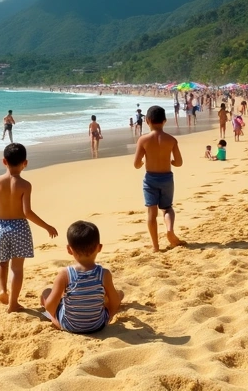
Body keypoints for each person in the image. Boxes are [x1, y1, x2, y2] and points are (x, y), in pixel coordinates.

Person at [0, 143, 57, 312]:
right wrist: (47, 226)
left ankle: (2, 290)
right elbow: (27, 212)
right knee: (17, 269)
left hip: (2, 227)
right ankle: (13, 304)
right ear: (25, 163)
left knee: (2, 263)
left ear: (4, 161)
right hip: (20, 228)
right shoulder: (25, 185)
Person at [40, 221, 123, 333]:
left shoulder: (65, 274)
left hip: (70, 326)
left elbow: (50, 307)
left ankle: (56, 321)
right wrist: (109, 316)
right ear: (99, 248)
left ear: (69, 249)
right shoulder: (104, 274)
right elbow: (115, 303)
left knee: (46, 293)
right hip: (98, 325)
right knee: (118, 294)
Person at [133, 106, 183, 252]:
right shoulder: (171, 140)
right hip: (167, 178)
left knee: (151, 213)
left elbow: (136, 164)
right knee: (167, 208)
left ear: (147, 120)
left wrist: (142, 162)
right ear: (165, 121)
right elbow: (179, 162)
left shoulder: (143, 140)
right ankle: (169, 229)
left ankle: (155, 246)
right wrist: (172, 162)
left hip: (150, 179)